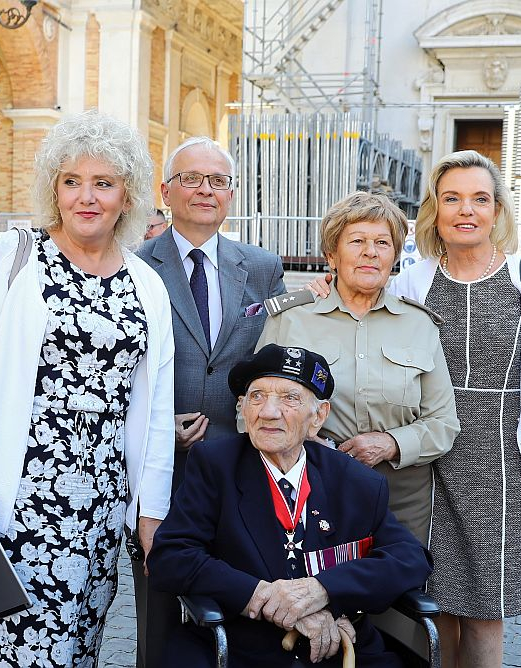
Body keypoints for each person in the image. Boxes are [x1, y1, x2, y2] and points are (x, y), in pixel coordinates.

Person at [308, 150, 521, 667]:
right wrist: (325, 282)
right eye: (452, 198)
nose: (465, 210)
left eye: (479, 199)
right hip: (428, 461)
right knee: (434, 601)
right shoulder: (416, 278)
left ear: (497, 210)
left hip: (503, 460)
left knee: (485, 607)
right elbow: (361, 296)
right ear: (435, 209)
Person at [0, 109, 175, 667]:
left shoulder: (147, 284)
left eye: (103, 183)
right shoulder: (16, 257)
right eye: (72, 182)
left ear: (128, 194)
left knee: (74, 651)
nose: (85, 197)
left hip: (100, 508)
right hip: (14, 501)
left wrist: (150, 509)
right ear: (54, 188)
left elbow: (156, 405)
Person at [148, 344, 433, 668]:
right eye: (257, 396)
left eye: (289, 398)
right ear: (242, 409)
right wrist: (264, 597)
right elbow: (170, 557)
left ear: (318, 417)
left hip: (338, 647)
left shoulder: (354, 480)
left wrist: (324, 592)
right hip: (241, 646)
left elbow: (410, 558)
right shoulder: (215, 465)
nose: (268, 411)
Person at [133, 136, 285, 667]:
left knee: (237, 604)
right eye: (192, 179)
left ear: (232, 196)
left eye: (218, 181)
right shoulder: (134, 265)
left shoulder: (262, 268)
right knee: (156, 602)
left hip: (238, 469)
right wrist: (153, 426)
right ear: (166, 192)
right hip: (158, 470)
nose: (205, 190)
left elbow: (266, 357)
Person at [257, 191, 459, 545]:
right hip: (306, 484)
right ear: (332, 256)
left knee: (396, 593)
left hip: (400, 497)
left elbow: (443, 423)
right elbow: (251, 406)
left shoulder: (419, 324)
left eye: (383, 242)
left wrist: (389, 443)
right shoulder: (292, 320)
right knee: (313, 594)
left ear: (394, 256)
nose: (371, 252)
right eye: (357, 241)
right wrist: (295, 439)